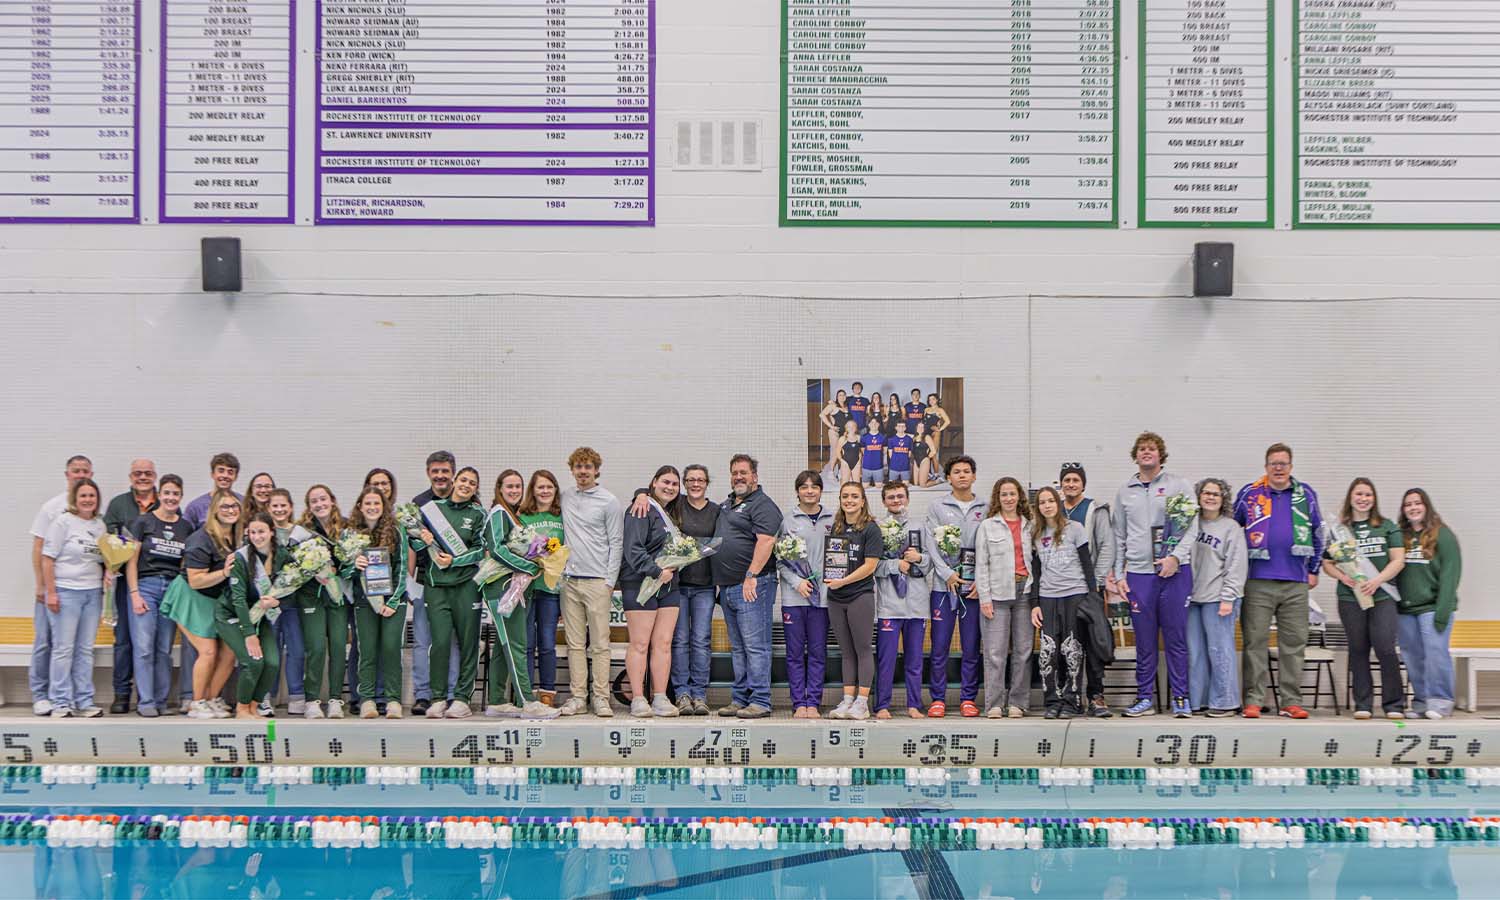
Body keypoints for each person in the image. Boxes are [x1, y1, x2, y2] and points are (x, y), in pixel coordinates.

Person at [1233, 442, 1324, 720]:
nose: (1279, 468)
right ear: (1266, 467)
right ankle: (1253, 700)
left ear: (1291, 467)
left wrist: (1314, 568)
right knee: (1255, 642)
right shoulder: (1249, 494)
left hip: (1296, 581)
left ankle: (1291, 701)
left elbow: (1318, 531)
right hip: (1258, 581)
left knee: (1294, 644)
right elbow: (1232, 531)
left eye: (1283, 463)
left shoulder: (1305, 494)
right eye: (1274, 463)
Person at [1110, 432, 1197, 718]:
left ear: (1161, 454)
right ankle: (1145, 698)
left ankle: (1181, 698)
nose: (1147, 452)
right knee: (1144, 642)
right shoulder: (1125, 491)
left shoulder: (1178, 485)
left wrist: (1175, 558)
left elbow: (1191, 529)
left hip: (1174, 573)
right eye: (1142, 449)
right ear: (1135, 455)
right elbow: (1119, 535)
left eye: (1152, 449)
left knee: (1176, 639)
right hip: (1139, 575)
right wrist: (1121, 574)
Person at [1321, 478, 1406, 720]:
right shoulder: (1340, 530)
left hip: (1382, 597)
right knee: (1358, 649)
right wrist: (1343, 577)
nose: (1363, 498)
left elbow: (1398, 560)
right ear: (1351, 497)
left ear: (1374, 498)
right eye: (1359, 494)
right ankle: (1363, 704)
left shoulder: (1386, 526)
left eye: (1368, 494)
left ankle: (1394, 705)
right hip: (1350, 598)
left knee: (1385, 648)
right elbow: (1327, 564)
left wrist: (1377, 580)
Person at [481, 470, 559, 720]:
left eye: (518, 486)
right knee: (515, 643)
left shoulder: (512, 516)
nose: (514, 490)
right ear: (499, 488)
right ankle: (527, 701)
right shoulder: (499, 513)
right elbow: (496, 549)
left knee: (503, 646)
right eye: (509, 486)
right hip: (501, 586)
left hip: (513, 585)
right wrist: (531, 566)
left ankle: (496, 701)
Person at [411, 466, 487, 719]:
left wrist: (454, 561)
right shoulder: (432, 510)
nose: (466, 485)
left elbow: (481, 550)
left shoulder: (478, 513)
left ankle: (463, 698)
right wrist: (421, 538)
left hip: (467, 586)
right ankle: (438, 697)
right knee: (440, 643)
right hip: (436, 586)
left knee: (468, 643)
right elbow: (414, 542)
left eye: (472, 483)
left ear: (476, 489)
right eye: (463, 480)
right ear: (454, 481)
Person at [711, 454, 782, 719]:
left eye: (744, 472)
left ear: (755, 476)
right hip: (729, 588)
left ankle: (761, 701)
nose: (738, 477)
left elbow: (766, 541)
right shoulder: (728, 505)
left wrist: (751, 575)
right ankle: (740, 698)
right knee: (738, 647)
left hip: (753, 585)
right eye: (734, 473)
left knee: (756, 645)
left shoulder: (762, 504)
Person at [162, 490, 240, 719]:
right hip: (191, 596)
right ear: (214, 510)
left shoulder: (235, 537)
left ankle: (212, 698)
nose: (230, 510)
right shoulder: (200, 538)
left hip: (215, 599)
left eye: (234, 506)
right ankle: (196, 702)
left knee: (229, 651)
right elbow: (196, 581)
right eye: (225, 506)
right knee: (207, 651)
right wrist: (225, 573)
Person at [558, 447, 624, 717]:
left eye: (588, 467)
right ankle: (577, 697)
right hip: (569, 583)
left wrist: (609, 581)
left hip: (598, 582)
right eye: (578, 467)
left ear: (597, 469)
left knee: (599, 645)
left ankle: (601, 697)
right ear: (572, 470)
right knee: (574, 644)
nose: (583, 471)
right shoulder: (564, 497)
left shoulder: (609, 501)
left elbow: (616, 542)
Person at [1027, 486, 1100, 719]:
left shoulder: (1074, 529)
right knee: (1049, 649)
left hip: (1075, 594)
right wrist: (1034, 602)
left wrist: (1092, 596)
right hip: (1048, 596)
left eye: (1051, 501)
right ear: (1037, 507)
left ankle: (1072, 699)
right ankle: (1053, 701)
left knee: (1072, 649)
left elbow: (1087, 564)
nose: (1047, 505)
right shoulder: (1035, 533)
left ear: (1058, 504)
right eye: (1042, 502)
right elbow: (1035, 572)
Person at [29, 454, 93, 716]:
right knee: (46, 642)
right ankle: (41, 694)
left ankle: (77, 699)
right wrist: (42, 586)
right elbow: (39, 548)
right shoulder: (52, 508)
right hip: (55, 589)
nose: (80, 475)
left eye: (85, 471)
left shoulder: (94, 516)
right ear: (67, 474)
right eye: (76, 471)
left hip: (86, 591)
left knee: (74, 647)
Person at [925, 456, 988, 718]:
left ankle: (968, 698)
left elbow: (990, 546)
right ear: (948, 477)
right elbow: (930, 543)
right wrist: (947, 573)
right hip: (944, 587)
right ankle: (937, 698)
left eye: (966, 471)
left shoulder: (986, 507)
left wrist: (981, 582)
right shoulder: (937, 506)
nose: (962, 475)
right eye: (956, 472)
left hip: (973, 588)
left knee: (972, 646)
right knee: (939, 645)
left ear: (974, 476)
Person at [40, 477, 107, 718]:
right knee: (63, 649)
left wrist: (110, 572)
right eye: (83, 496)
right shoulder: (63, 522)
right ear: (75, 499)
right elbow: (47, 558)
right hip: (66, 592)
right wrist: (51, 592)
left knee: (85, 650)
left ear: (97, 500)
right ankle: (61, 702)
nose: (88, 500)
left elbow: (105, 558)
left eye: (92, 496)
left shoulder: (100, 525)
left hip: (92, 593)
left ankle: (84, 701)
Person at [621, 466, 684, 718]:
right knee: (639, 643)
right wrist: (655, 571)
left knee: (664, 643)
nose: (670, 487)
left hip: (669, 586)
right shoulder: (641, 508)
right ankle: (638, 698)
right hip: (640, 583)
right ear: (654, 483)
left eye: (674, 484)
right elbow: (633, 549)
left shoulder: (670, 515)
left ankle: (660, 697)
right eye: (665, 482)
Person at [124, 474, 188, 718]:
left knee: (163, 649)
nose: (171, 497)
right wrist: (134, 594)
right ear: (159, 495)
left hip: (171, 590)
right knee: (143, 648)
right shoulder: (143, 522)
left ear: (180, 497)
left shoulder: (185, 526)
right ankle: (146, 701)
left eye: (176, 494)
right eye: (167, 493)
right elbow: (130, 560)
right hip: (146, 588)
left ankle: (161, 700)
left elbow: (184, 564)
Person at [1396, 488, 1462, 720]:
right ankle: (1422, 702)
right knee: (1412, 657)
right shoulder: (1400, 536)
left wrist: (1442, 612)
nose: (1413, 508)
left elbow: (1450, 575)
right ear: (1404, 510)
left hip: (1433, 607)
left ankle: (1441, 701)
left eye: (1417, 503)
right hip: (1405, 610)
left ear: (1426, 506)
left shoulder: (1442, 535)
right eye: (1408, 505)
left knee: (1436, 654)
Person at [1187, 478, 1247, 717]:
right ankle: (1198, 700)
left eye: (1216, 494)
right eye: (1206, 493)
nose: (1210, 497)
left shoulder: (1231, 528)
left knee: (1219, 650)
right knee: (1195, 651)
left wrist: (1228, 598)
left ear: (1223, 500)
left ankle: (1226, 701)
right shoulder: (1190, 524)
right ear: (1199, 497)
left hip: (1219, 598)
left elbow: (1236, 566)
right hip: (1192, 599)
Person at [347, 487, 409, 719]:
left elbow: (403, 569)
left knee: (392, 648)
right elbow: (343, 570)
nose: (372, 508)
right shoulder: (351, 534)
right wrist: (355, 564)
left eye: (377, 504)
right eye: (368, 503)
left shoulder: (396, 530)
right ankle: (367, 700)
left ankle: (393, 699)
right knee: (367, 651)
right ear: (360, 506)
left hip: (394, 601)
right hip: (364, 602)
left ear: (384, 507)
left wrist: (392, 601)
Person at [1058, 463, 1115, 717]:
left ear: (1083, 483)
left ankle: (1096, 696)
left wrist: (1097, 583)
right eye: (1067, 480)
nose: (1071, 484)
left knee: (1092, 644)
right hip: (1061, 590)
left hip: (1088, 588)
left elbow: (1107, 546)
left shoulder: (1095, 510)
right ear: (1061, 484)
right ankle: (1069, 698)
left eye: (1075, 480)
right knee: (1066, 645)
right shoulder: (1053, 508)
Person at [974, 476, 1032, 718]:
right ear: (997, 498)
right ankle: (995, 704)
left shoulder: (1030, 525)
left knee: (1024, 651)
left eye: (1012, 493)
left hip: (1025, 593)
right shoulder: (988, 526)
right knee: (995, 652)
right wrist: (984, 598)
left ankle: (1018, 702)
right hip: (997, 595)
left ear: (1019, 497)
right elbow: (982, 564)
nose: (1008, 498)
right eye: (1004, 494)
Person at [824, 482, 883, 720]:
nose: (849, 500)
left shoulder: (871, 529)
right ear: (840, 500)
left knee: (862, 649)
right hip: (836, 597)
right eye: (845, 496)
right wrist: (832, 580)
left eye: (854, 496)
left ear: (862, 500)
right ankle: (847, 700)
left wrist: (844, 581)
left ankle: (862, 703)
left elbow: (870, 566)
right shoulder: (836, 527)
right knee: (846, 652)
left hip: (860, 596)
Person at [872, 481, 931, 720]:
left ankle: (914, 705)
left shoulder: (921, 526)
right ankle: (882, 705)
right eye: (891, 497)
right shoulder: (877, 527)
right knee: (886, 659)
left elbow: (931, 562)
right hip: (889, 604)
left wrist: (919, 557)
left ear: (907, 498)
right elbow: (873, 565)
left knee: (914, 659)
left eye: (900, 496)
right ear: (884, 501)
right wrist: (897, 564)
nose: (896, 501)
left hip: (916, 604)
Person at [219, 513, 286, 720]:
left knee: (273, 663)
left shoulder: (281, 555)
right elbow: (238, 600)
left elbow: (294, 587)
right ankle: (242, 709)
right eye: (253, 532)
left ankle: (253, 707)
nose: (257, 537)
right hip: (231, 615)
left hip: (260, 616)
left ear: (271, 532)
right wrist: (249, 634)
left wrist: (278, 602)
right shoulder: (240, 558)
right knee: (253, 661)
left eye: (262, 532)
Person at [103, 457, 157, 713]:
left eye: (147, 473)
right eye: (138, 473)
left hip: (156, 581)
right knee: (124, 639)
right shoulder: (118, 505)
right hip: (126, 581)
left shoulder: (166, 502)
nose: (143, 477)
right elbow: (110, 540)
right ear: (130, 477)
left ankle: (152, 696)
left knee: (152, 643)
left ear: (154, 476)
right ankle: (122, 693)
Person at [409, 451, 460, 716]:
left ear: (453, 472)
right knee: (422, 640)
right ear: (428, 472)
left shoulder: (465, 500)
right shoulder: (418, 504)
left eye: (445, 471)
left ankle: (451, 693)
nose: (440, 476)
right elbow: (410, 547)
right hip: (425, 581)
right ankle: (423, 695)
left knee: (449, 641)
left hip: (455, 584)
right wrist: (409, 583)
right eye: (435, 471)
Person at [779, 470, 833, 718]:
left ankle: (814, 702)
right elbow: (779, 560)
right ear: (797, 491)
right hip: (794, 598)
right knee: (795, 653)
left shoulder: (834, 518)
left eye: (814, 486)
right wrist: (796, 581)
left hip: (822, 599)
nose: (809, 491)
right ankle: (799, 703)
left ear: (821, 490)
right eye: (804, 486)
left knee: (818, 652)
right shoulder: (787, 521)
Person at [293, 485, 348, 719]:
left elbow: (354, 560)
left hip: (338, 595)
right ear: (309, 506)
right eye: (314, 501)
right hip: (311, 595)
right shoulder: (301, 531)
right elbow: (292, 564)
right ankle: (312, 700)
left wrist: (340, 569)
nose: (319, 504)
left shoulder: (346, 527)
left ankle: (336, 699)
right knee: (315, 647)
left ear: (332, 500)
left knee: (337, 646)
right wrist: (311, 570)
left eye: (323, 499)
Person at [669, 464, 719, 715]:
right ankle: (682, 694)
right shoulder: (674, 506)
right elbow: (648, 492)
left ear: (707, 482)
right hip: (677, 586)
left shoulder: (716, 511)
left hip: (705, 587)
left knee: (701, 640)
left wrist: (699, 551)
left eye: (700, 479)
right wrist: (641, 494)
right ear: (684, 483)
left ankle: (700, 694)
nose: (695, 484)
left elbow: (720, 544)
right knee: (679, 641)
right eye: (690, 480)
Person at [517, 469, 565, 708]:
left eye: (549, 486)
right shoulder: (522, 516)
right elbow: (515, 547)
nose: (545, 491)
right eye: (540, 487)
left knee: (547, 642)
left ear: (555, 490)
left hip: (551, 590)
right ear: (532, 490)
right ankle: (524, 692)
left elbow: (565, 551)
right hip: (525, 587)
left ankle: (547, 691)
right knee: (526, 643)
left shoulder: (562, 517)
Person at [183, 452, 241, 530]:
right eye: (221, 471)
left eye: (230, 472)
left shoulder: (243, 503)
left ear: (236, 477)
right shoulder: (195, 507)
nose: (225, 475)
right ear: (212, 474)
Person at [819, 389, 849, 473]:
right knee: (836, 451)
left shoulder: (847, 407)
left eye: (844, 395)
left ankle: (840, 471)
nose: (842, 397)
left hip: (845, 433)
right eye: (840, 395)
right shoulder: (833, 406)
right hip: (835, 432)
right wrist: (831, 426)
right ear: (837, 397)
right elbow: (822, 414)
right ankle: (831, 472)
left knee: (844, 452)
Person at [923, 393, 951, 460]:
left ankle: (933, 469)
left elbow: (948, 421)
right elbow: (924, 421)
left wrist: (940, 429)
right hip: (925, 431)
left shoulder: (940, 410)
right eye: (930, 400)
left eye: (933, 399)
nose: (931, 401)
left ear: (937, 400)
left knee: (934, 452)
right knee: (925, 450)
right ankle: (926, 467)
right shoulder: (926, 409)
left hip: (934, 431)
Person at [859, 419, 886, 487]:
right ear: (869, 424)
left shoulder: (883, 437)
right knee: (865, 487)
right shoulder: (864, 437)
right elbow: (863, 451)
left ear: (878, 424)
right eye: (872, 422)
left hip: (878, 467)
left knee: (879, 486)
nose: (874, 424)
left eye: (876, 422)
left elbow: (884, 451)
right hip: (866, 466)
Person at [911, 423, 935, 488]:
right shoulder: (914, 438)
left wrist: (927, 458)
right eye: (919, 427)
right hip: (916, 461)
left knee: (922, 485)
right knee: (916, 484)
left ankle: (937, 480)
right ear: (916, 428)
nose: (920, 429)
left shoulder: (927, 437)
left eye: (922, 427)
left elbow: (933, 451)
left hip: (924, 460)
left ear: (924, 429)